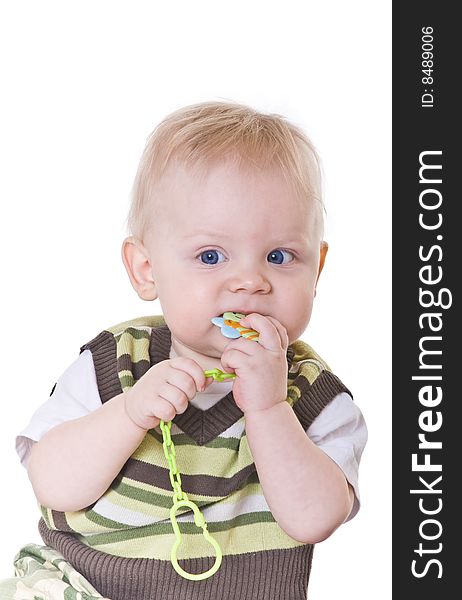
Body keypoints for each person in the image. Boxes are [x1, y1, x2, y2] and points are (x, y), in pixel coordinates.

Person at [2, 101, 367, 600]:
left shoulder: (313, 394)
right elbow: (52, 485)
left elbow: (313, 520)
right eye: (211, 256)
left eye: (280, 257)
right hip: (86, 587)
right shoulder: (114, 363)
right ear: (146, 269)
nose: (250, 281)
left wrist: (268, 407)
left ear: (317, 269)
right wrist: (130, 414)